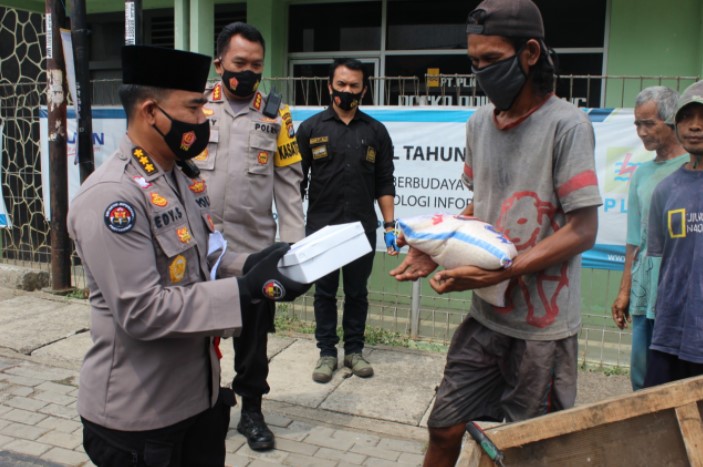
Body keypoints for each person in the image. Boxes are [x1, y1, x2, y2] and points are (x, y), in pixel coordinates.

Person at [67, 45, 308, 466]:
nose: (204, 119)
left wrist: (255, 266)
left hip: (199, 401)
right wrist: (243, 289)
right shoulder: (113, 198)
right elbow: (141, 310)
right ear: (149, 113)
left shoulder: (180, 178)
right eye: (195, 108)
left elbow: (204, 261)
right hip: (141, 418)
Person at [390, 1, 602, 465]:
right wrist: (436, 249)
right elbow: (479, 206)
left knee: (528, 452)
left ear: (529, 53)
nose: (480, 72)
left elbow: (584, 229)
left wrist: (502, 270)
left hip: (542, 331)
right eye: (474, 62)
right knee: (443, 426)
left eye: (490, 60)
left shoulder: (567, 125)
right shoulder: (477, 124)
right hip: (486, 319)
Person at [193, 22, 305, 451]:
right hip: (202, 248)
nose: (248, 71)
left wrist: (292, 250)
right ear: (220, 62)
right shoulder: (197, 106)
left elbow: (289, 183)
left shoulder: (278, 113)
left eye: (256, 65)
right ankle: (202, 404)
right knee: (196, 331)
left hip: (255, 251)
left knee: (253, 337)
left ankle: (252, 411)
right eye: (239, 63)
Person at [297, 58, 398, 384]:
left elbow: (385, 182)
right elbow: (295, 183)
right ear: (330, 86)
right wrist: (290, 229)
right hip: (322, 228)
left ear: (364, 89)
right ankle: (327, 353)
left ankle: (354, 352)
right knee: (324, 293)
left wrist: (390, 225)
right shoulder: (311, 128)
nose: (347, 91)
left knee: (357, 293)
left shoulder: (375, 132)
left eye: (354, 85)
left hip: (361, 229)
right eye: (341, 84)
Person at [611, 86, 687, 391]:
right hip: (646, 283)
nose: (642, 133)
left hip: (680, 281)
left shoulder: (692, 167)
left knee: (678, 369)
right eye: (637, 124)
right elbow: (634, 239)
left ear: (671, 122)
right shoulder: (641, 174)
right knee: (642, 372)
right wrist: (624, 290)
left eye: (649, 124)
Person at [644, 80, 703, 388]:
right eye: (686, 118)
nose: (695, 127)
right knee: (663, 424)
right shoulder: (665, 190)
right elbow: (662, 257)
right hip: (670, 332)